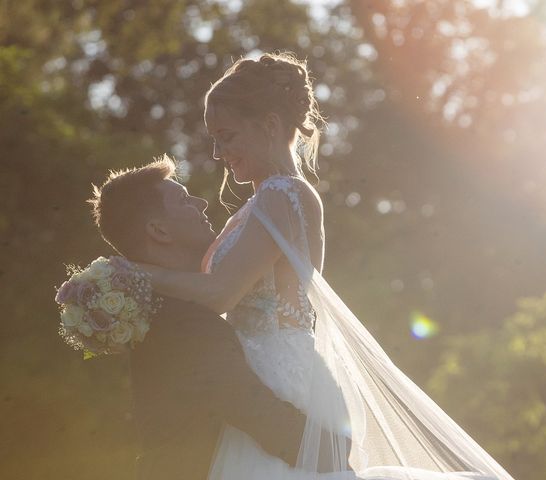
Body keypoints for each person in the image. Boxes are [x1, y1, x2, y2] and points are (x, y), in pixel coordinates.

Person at [140, 52, 515, 480]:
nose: (217, 151)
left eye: (226, 136)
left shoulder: (282, 196)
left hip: (281, 380)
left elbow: (222, 293)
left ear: (269, 125)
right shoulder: (258, 204)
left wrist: (134, 276)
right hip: (257, 381)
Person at [88, 158, 319, 480]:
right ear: (159, 230)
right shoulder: (183, 319)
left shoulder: (164, 309)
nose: (201, 203)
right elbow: (253, 408)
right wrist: (331, 448)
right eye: (184, 199)